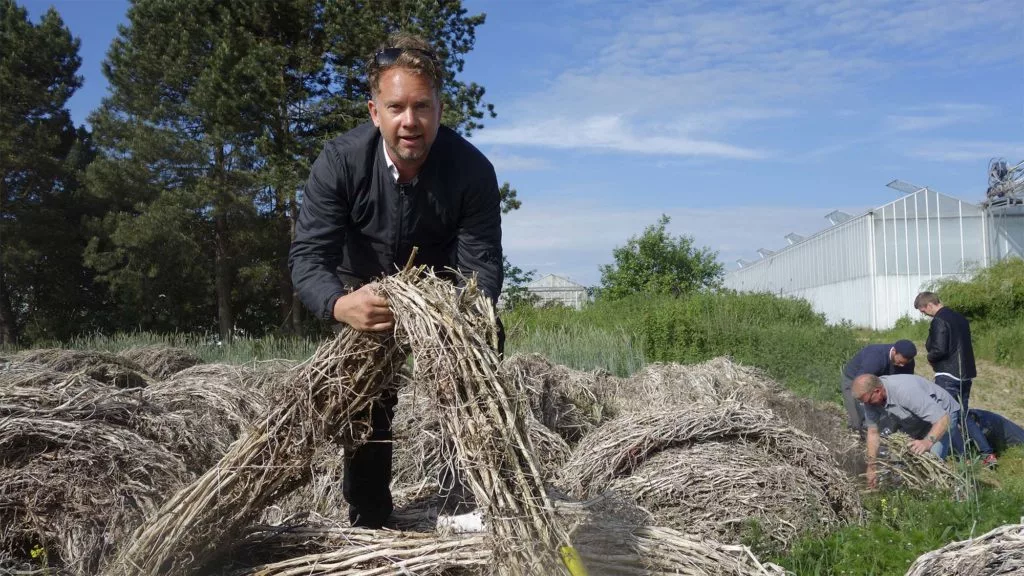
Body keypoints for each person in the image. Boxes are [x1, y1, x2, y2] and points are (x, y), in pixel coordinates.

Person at [288, 32, 504, 528]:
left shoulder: (473, 171)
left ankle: (467, 501)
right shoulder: (340, 163)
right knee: (366, 394)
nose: (410, 121)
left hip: (441, 293)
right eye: (396, 107)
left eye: (422, 107)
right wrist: (339, 304)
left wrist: (456, 319)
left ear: (439, 110)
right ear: (375, 112)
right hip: (361, 291)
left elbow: (481, 268)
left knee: (480, 350)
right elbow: (308, 257)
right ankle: (370, 515)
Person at [914, 291, 996, 467]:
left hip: (948, 374)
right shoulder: (961, 318)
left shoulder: (939, 320)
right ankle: (987, 454)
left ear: (929, 305)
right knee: (963, 416)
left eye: (923, 310)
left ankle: (961, 457)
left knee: (946, 416)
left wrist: (930, 357)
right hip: (965, 374)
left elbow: (939, 349)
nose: (924, 314)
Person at [852, 373, 964, 489]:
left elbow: (943, 419)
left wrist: (927, 442)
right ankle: (904, 488)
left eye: (868, 401)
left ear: (877, 391)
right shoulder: (869, 400)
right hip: (916, 417)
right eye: (863, 402)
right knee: (900, 455)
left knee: (930, 460)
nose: (867, 405)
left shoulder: (904, 391)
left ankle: (939, 490)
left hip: (943, 415)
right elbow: (872, 433)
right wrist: (872, 466)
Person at [840, 340, 917, 432]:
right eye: (900, 362)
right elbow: (861, 385)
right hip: (854, 379)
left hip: (880, 381)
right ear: (894, 351)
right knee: (858, 414)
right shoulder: (876, 358)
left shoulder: (907, 363)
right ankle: (858, 430)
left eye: (905, 363)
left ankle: (876, 431)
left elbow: (905, 383)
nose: (902, 365)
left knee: (882, 412)